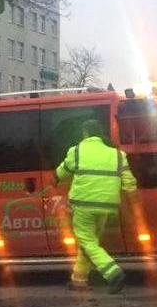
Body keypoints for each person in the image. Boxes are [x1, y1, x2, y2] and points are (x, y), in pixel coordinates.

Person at [55, 118, 137, 293]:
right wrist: (134, 203)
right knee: (90, 242)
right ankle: (79, 279)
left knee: (87, 241)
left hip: (83, 205)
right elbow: (130, 183)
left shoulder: (76, 151)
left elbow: (61, 173)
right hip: (107, 206)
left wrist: (55, 179)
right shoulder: (117, 154)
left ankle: (113, 272)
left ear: (85, 133)